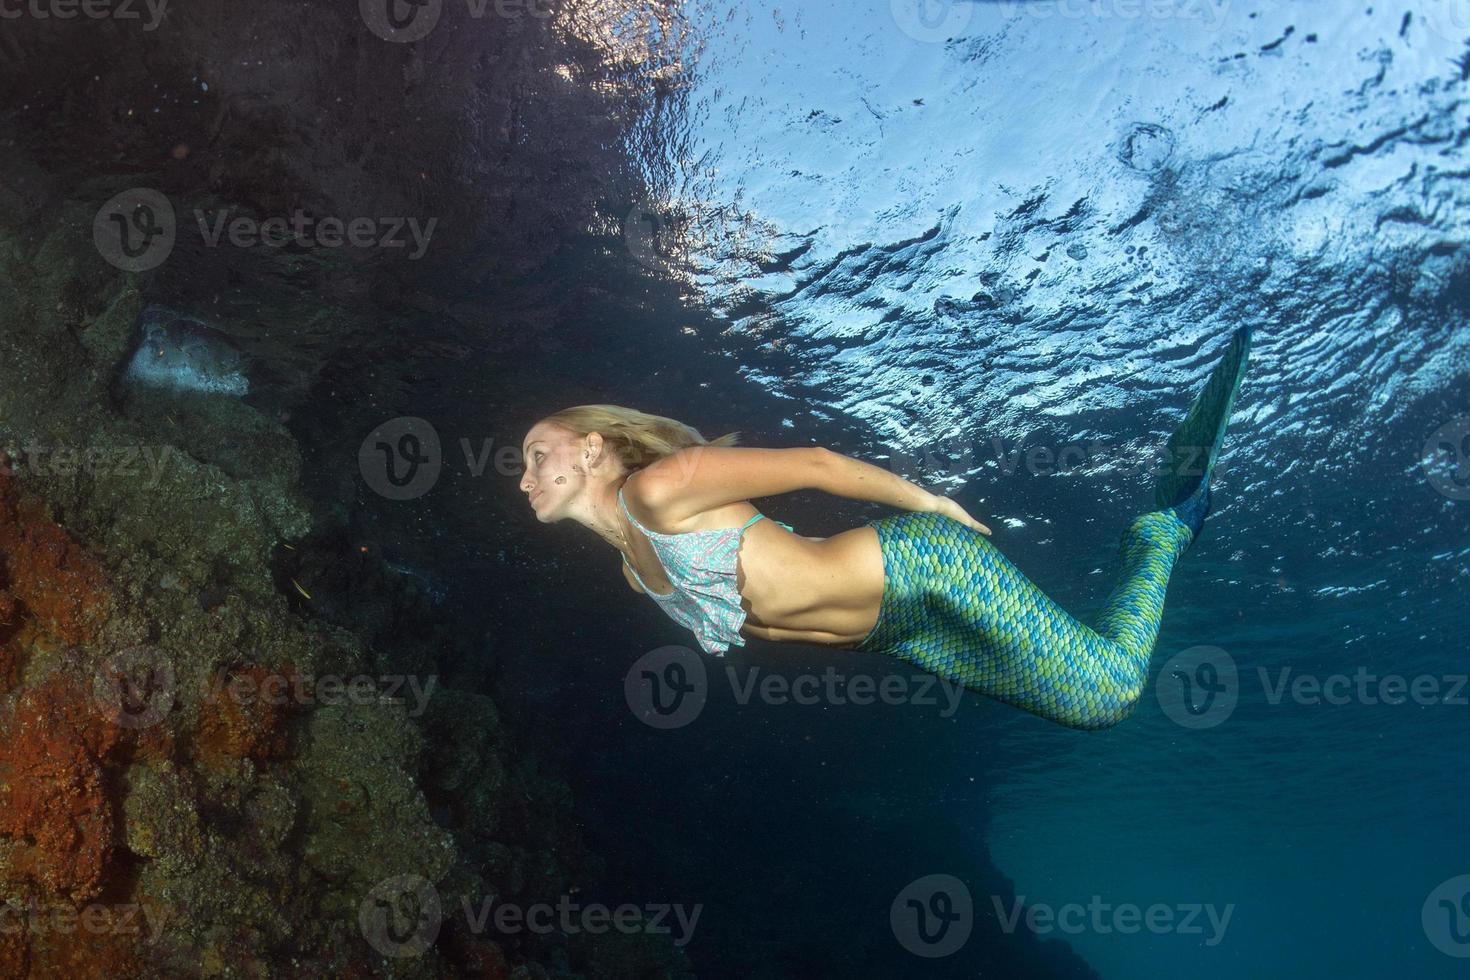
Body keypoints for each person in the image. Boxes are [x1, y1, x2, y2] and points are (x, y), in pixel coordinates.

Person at [519, 326, 1251, 730]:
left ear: (590, 448)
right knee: (1091, 716)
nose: (522, 478)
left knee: (1111, 691)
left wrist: (932, 508)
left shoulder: (656, 491)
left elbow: (814, 463)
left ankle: (1164, 529)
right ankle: (1156, 534)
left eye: (534, 455)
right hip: (900, 634)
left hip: (921, 567)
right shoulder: (630, 568)